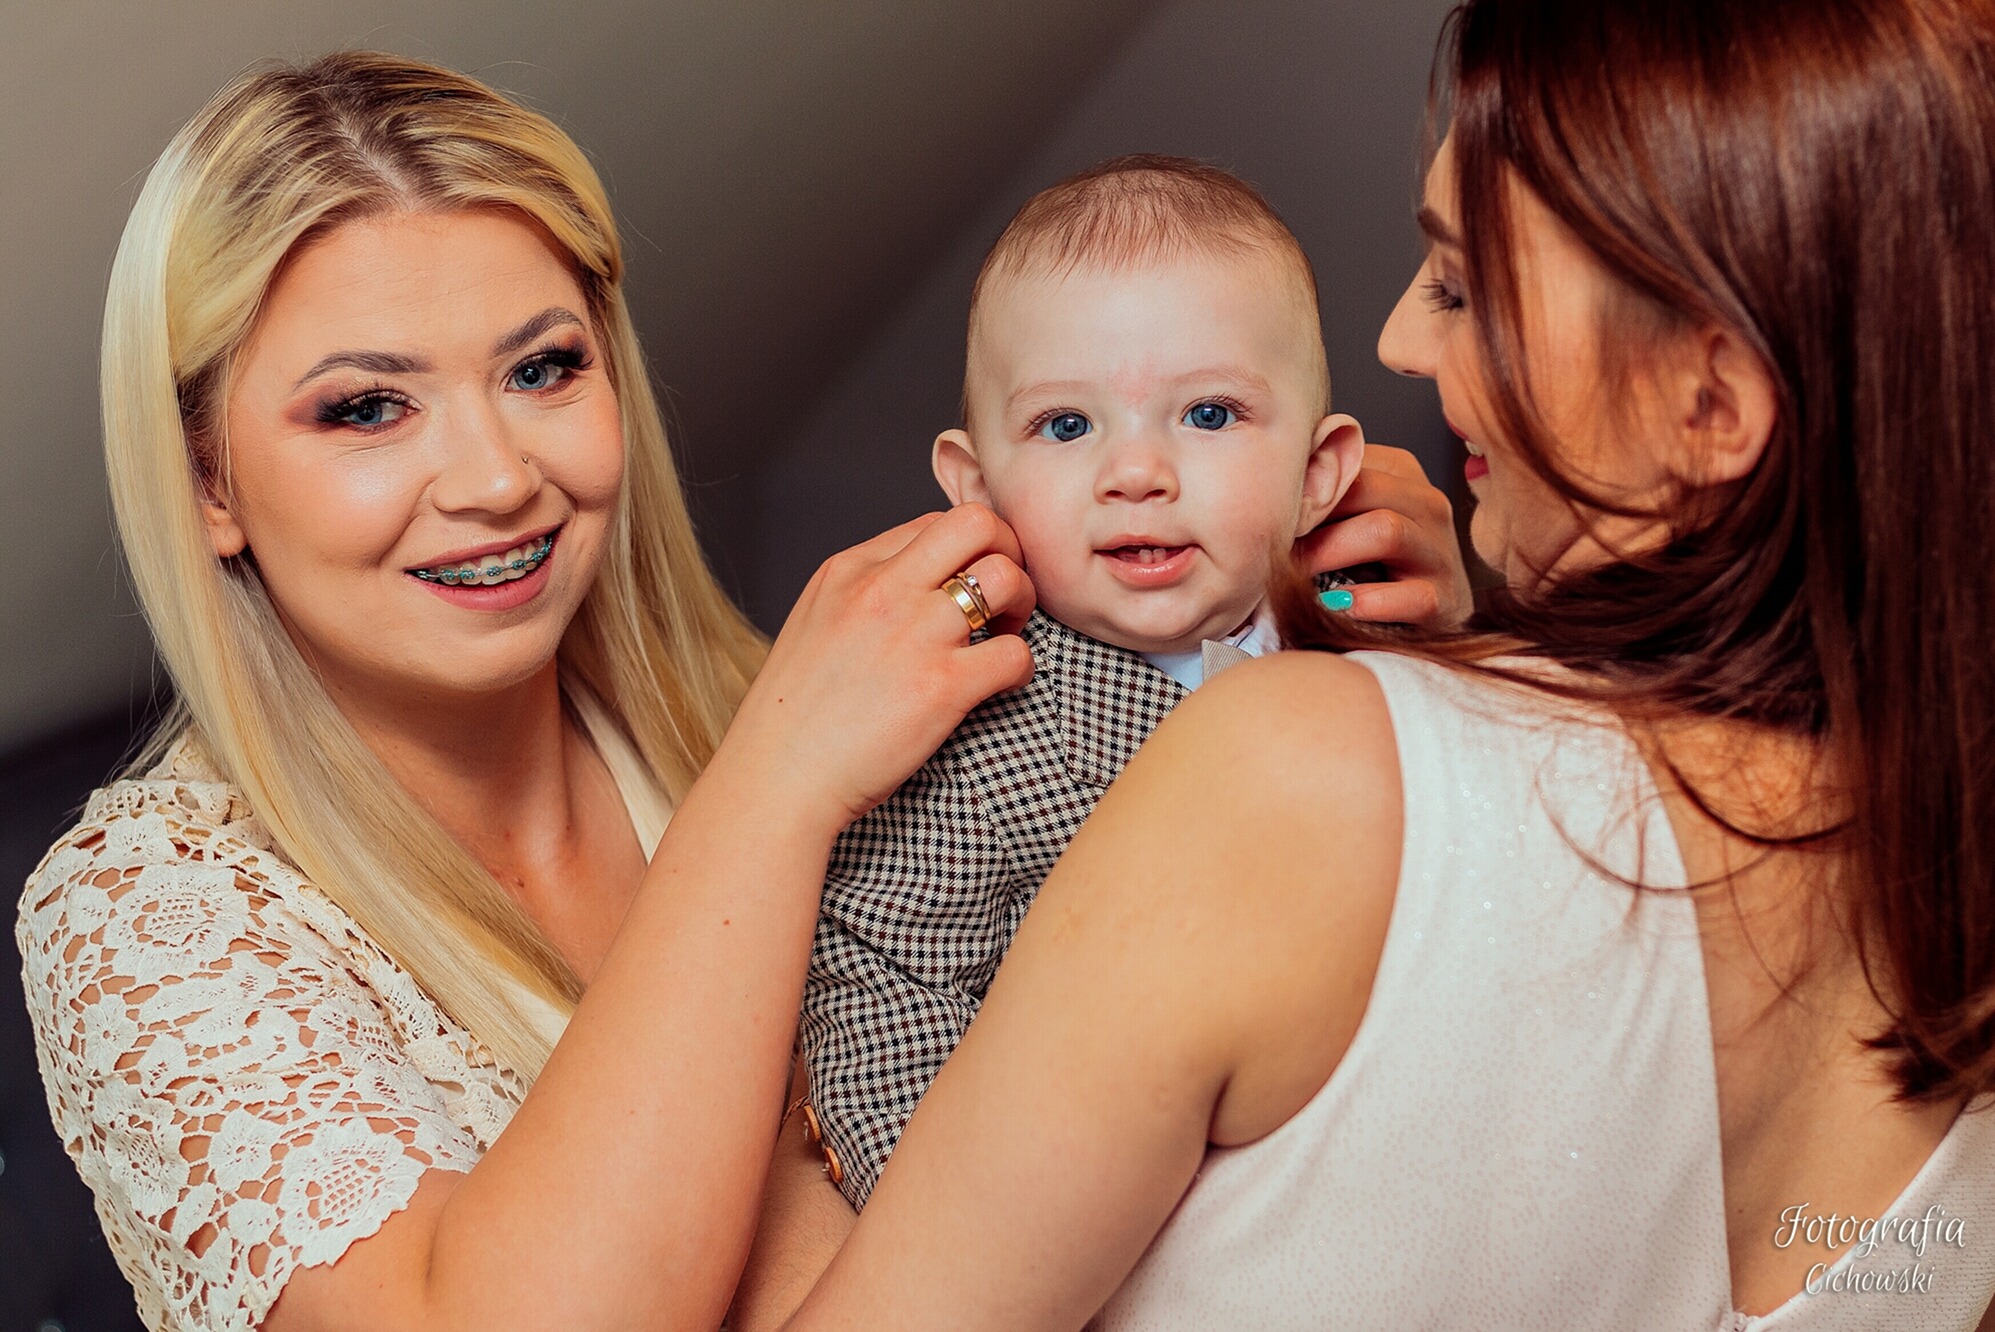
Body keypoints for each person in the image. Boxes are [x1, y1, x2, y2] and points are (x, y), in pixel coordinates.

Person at [13, 51, 1465, 1332]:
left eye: (541, 368)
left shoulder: (771, 698)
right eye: (366, 406)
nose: (499, 478)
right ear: (208, 479)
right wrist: (770, 787)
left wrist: (1361, 626)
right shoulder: (144, 916)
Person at [774, 1, 1995, 1327]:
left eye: (1465, 289)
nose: (1404, 341)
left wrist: (782, 1171)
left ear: (1707, 408)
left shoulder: (1284, 771)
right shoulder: (1950, 882)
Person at [799, 154, 1378, 1210]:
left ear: (1319, 475)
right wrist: (968, 1228)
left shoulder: (1382, 667)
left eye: (1209, 415)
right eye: (1067, 427)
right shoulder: (977, 741)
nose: (1137, 472)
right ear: (978, 490)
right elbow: (882, 991)